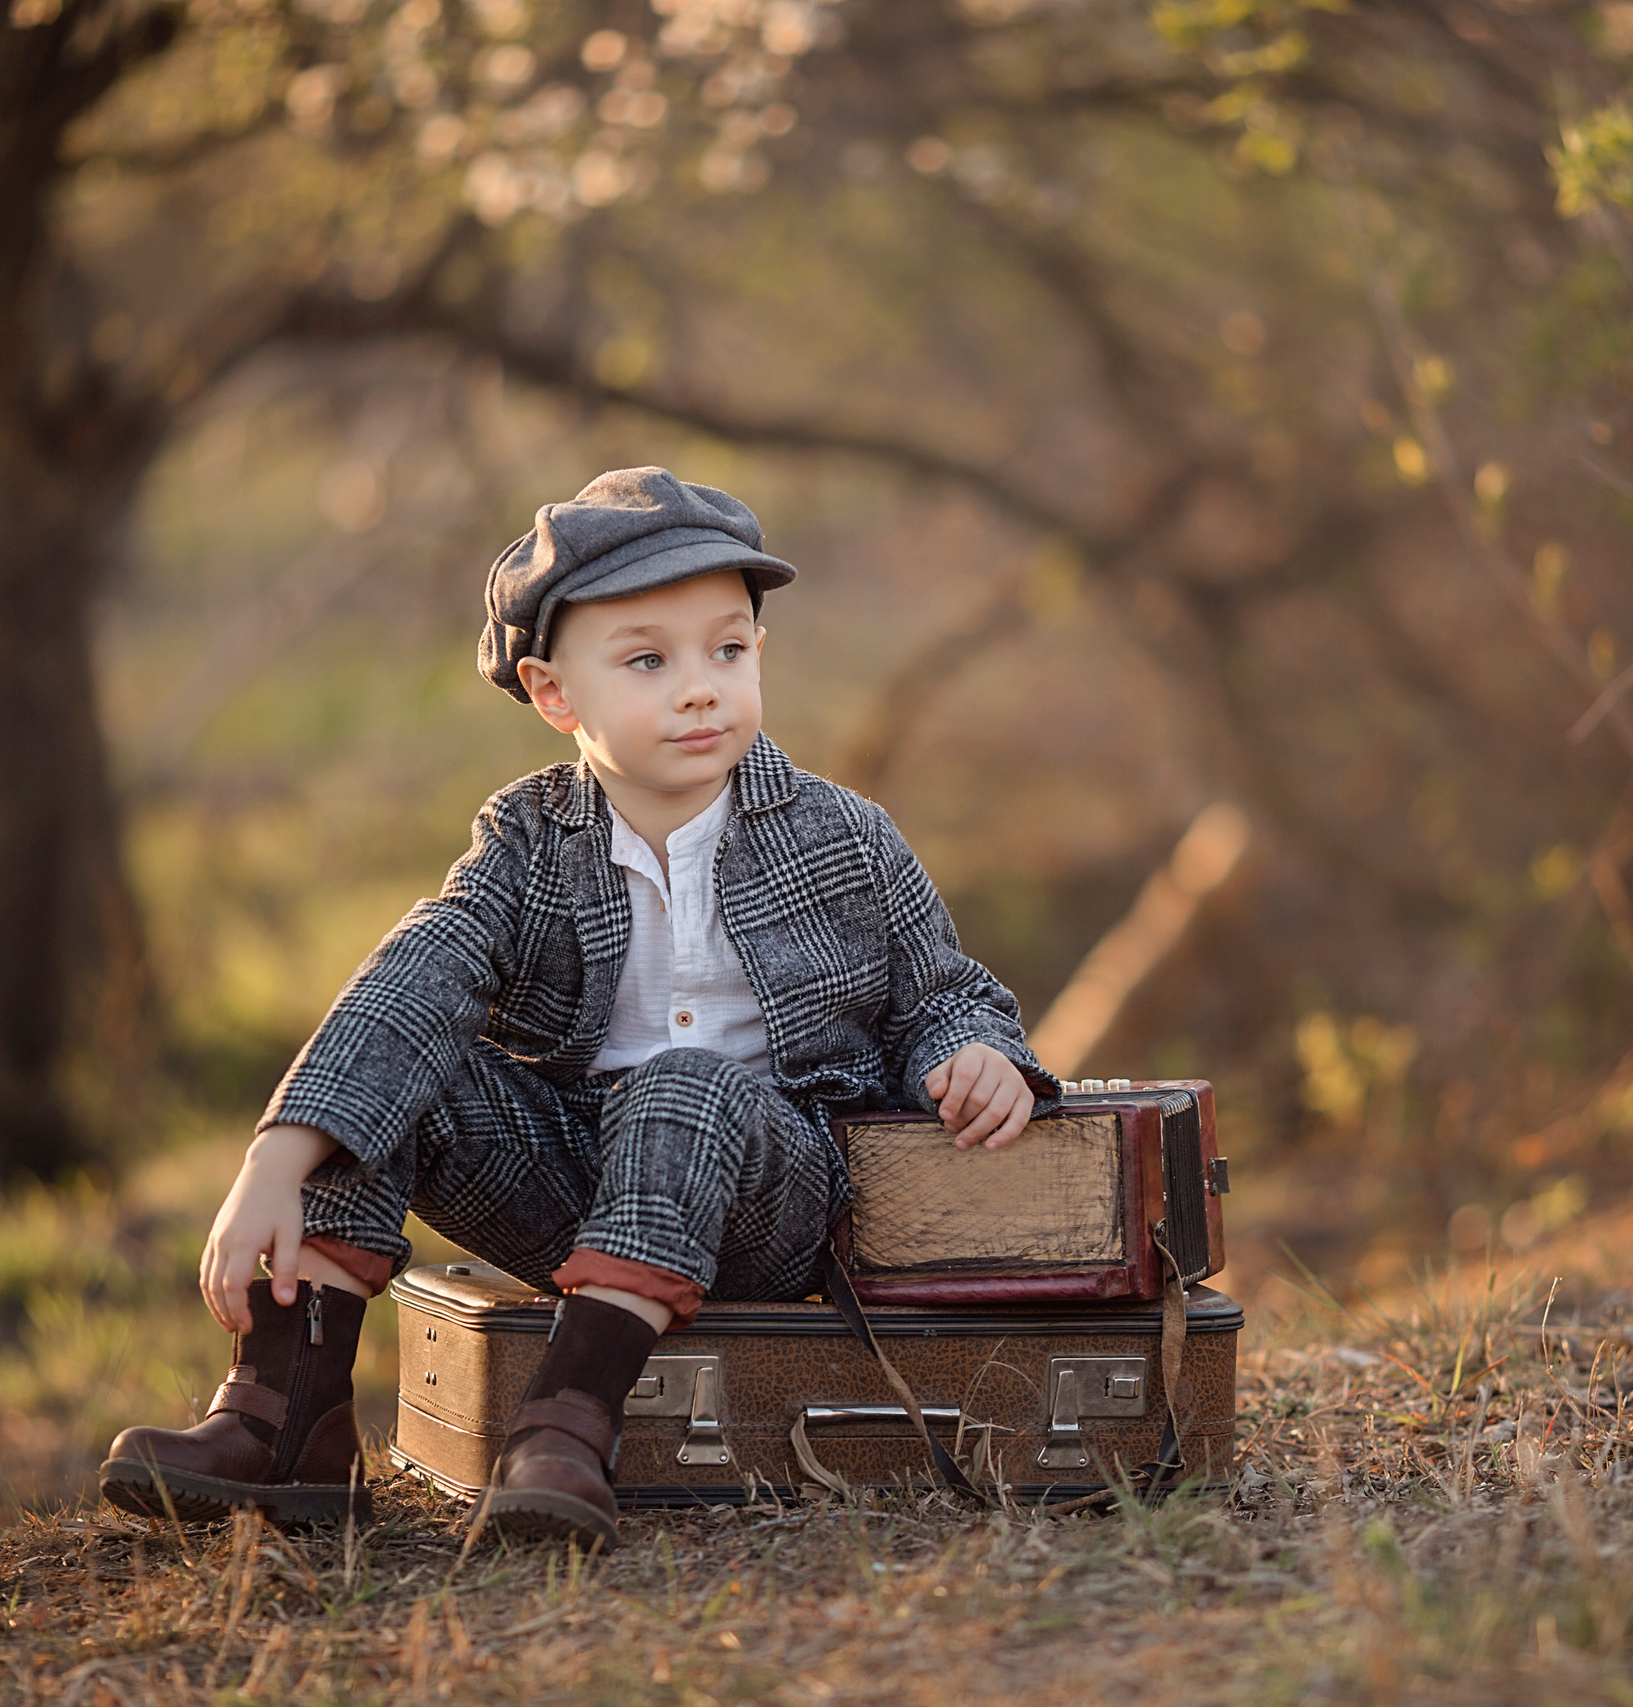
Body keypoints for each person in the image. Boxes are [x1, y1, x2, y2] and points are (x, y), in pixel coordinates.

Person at [98, 468, 1053, 1549]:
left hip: (773, 1193)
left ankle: (565, 1428)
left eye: (726, 651)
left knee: (688, 1086)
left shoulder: (842, 838)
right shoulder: (528, 840)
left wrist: (974, 1049)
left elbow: (944, 989)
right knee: (413, 1065)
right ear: (556, 695)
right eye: (648, 660)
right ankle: (285, 1417)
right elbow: (421, 976)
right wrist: (275, 1159)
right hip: (573, 1191)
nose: (700, 689)